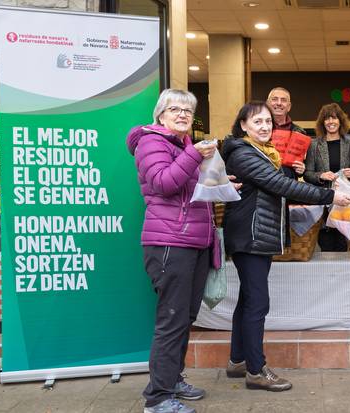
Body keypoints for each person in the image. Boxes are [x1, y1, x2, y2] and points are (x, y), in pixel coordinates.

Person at [221, 101, 350, 392]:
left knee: (247, 300)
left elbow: (279, 181)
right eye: (257, 122)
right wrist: (329, 196)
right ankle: (256, 370)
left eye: (268, 121)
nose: (265, 126)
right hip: (251, 235)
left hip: (256, 234)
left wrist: (298, 171)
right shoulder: (243, 153)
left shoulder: (263, 153)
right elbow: (279, 186)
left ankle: (238, 360)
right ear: (243, 125)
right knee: (257, 303)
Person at [127, 89, 216, 413]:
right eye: (175, 109)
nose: (182, 114)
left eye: (188, 111)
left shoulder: (185, 146)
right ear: (160, 115)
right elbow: (164, 183)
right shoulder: (151, 142)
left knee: (185, 317)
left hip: (194, 243)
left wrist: (221, 184)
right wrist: (195, 156)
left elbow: (188, 191)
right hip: (169, 244)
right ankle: (158, 398)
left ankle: (172, 379)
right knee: (172, 319)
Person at [304, 103, 350, 251]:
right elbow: (307, 174)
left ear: (340, 121)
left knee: (342, 244)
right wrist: (321, 175)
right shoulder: (314, 145)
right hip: (322, 202)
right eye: (327, 119)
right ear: (323, 122)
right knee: (325, 244)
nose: (331, 122)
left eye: (334, 118)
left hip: (344, 204)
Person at [267, 87, 306, 177]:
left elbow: (304, 166)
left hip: (289, 186)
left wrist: (302, 169)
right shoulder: (258, 130)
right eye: (274, 99)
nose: (279, 103)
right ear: (268, 104)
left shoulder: (300, 133)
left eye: (283, 100)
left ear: (289, 107)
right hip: (262, 185)